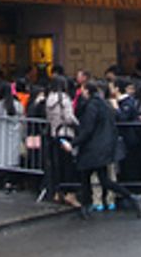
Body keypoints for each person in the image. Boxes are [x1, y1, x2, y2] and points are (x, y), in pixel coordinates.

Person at [62, 82, 141, 219]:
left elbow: (88, 129)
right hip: (104, 146)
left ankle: (86, 207)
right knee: (104, 179)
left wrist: (73, 143)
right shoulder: (105, 104)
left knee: (86, 177)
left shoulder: (92, 106)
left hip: (92, 148)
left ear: (87, 91)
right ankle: (130, 196)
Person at [43, 75, 77, 206]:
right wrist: (77, 124)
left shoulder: (49, 99)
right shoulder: (64, 99)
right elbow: (69, 117)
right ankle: (70, 194)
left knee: (58, 165)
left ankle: (58, 192)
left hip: (54, 133)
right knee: (68, 165)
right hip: (66, 132)